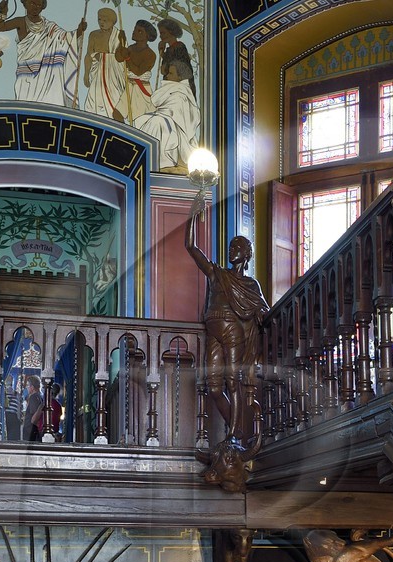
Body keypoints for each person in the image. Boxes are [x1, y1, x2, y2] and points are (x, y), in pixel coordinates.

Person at [185, 192, 270, 482]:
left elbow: (263, 309)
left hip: (234, 330)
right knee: (212, 386)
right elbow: (190, 247)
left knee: (233, 382)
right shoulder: (216, 273)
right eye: (231, 245)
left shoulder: (249, 283)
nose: (232, 249)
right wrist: (193, 217)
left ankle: (233, 434)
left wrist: (259, 315)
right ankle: (238, 428)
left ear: (246, 255)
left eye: (238, 246)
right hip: (213, 330)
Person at [0, 0, 86, 107]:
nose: (35, 7)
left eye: (38, 5)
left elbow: (66, 39)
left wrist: (79, 30)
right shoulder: (20, 21)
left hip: (47, 76)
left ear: (43, 7)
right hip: (26, 74)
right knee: (26, 106)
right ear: (25, 3)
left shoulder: (50, 27)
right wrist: (3, 12)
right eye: (32, 3)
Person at [132, 56, 199, 170]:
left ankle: (160, 160)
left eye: (171, 73)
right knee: (147, 120)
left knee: (156, 122)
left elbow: (180, 118)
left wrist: (162, 117)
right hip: (163, 119)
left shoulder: (181, 93)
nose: (167, 76)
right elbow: (157, 102)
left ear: (179, 77)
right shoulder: (172, 89)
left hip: (173, 126)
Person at [81, 8, 127, 119]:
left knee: (114, 101)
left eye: (105, 20)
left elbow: (123, 57)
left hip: (114, 76)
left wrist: (122, 41)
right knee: (93, 102)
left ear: (112, 22)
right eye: (99, 19)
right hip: (97, 76)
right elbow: (88, 55)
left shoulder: (118, 36)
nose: (101, 22)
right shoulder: (93, 35)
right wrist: (86, 73)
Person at [115, 20, 158, 121]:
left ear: (147, 36)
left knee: (139, 118)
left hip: (141, 88)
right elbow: (119, 58)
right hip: (130, 86)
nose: (134, 32)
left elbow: (138, 72)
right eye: (135, 29)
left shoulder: (150, 54)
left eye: (139, 31)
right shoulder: (131, 48)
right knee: (117, 114)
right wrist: (121, 42)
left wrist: (128, 58)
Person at [156, 17, 194, 97]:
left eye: (163, 33)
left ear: (171, 32)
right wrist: (162, 52)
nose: (160, 36)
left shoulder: (179, 47)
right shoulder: (171, 49)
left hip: (180, 89)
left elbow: (165, 69)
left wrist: (162, 53)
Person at [20, 375, 44, 441]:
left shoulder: (33, 397)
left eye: (28, 385)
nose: (27, 388)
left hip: (30, 430)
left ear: (32, 387)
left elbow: (34, 416)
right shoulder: (39, 396)